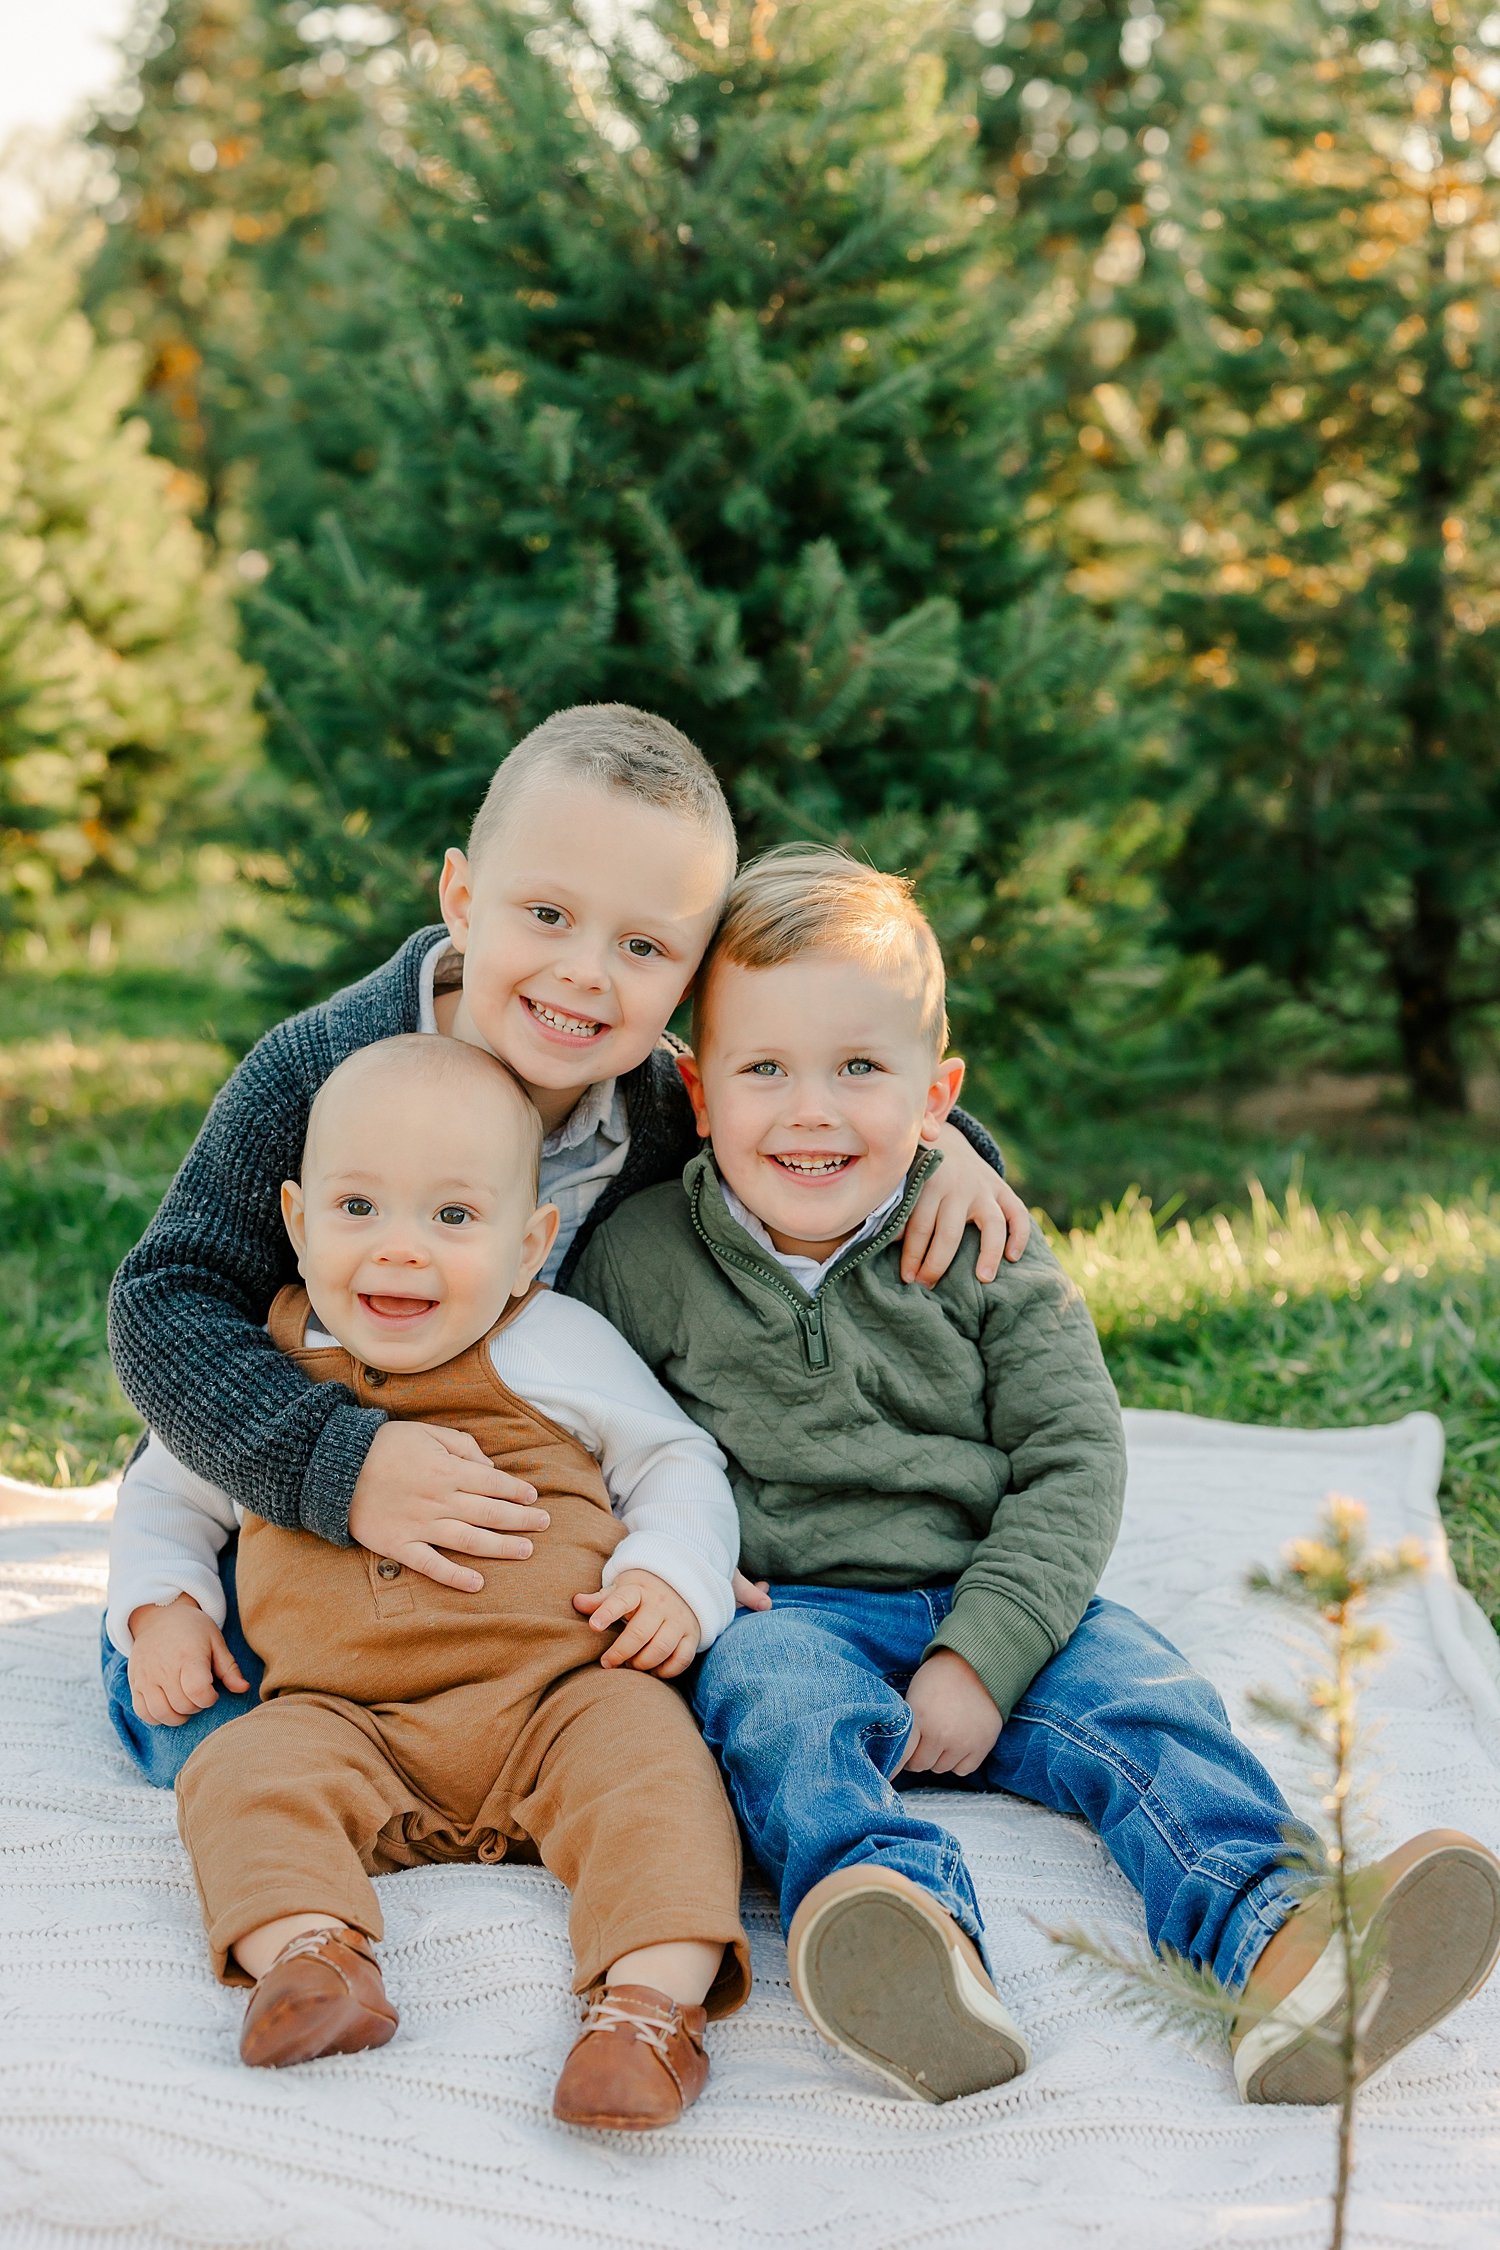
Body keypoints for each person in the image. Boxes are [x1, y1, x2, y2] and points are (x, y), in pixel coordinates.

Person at [572, 844, 1500, 2108]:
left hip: (989, 1584)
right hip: (784, 1605)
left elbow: (1074, 1458)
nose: (810, 1111)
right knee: (770, 1711)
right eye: (764, 1069)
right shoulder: (638, 1258)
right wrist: (664, 1558)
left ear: (936, 1094)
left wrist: (987, 1650)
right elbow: (580, 1430)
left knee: (1151, 1701)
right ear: (695, 1085)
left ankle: (1280, 1945)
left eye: (860, 1070)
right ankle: (907, 1936)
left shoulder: (987, 1242)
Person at [103, 703, 1030, 1782]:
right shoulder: (318, 1069)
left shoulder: (663, 1115)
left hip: (534, 1557)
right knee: (214, 1732)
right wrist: (336, 1466)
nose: (586, 973)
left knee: (687, 1718)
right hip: (284, 1513)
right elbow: (166, 1296)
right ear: (462, 899)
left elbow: (810, 1113)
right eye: (546, 913)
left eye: (643, 946)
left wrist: (950, 1148)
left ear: (690, 981)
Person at [111, 1033, 750, 2130]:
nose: (400, 1252)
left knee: (660, 1773)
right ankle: (310, 1958)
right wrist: (165, 1609)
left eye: (454, 1219)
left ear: (528, 1246)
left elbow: (675, 1463)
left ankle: (647, 2010)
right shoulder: (257, 1368)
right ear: (300, 1224)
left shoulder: (559, 1339)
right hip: (344, 1717)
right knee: (240, 1772)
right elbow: (166, 1499)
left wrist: (673, 1573)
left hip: (560, 1698)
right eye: (360, 1210)